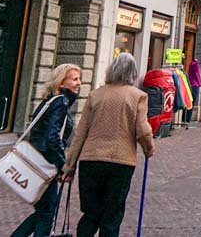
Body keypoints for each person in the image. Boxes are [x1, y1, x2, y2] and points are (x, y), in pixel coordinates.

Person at [62, 53, 155, 236]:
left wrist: (69, 166)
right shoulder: (138, 97)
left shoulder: (95, 95)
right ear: (133, 73)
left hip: (91, 161)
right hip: (121, 162)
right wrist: (148, 148)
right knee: (111, 216)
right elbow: (142, 130)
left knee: (91, 213)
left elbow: (81, 133)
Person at [11, 63, 80, 237]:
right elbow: (52, 137)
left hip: (39, 160)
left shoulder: (51, 100)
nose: (79, 83)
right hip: (45, 163)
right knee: (47, 212)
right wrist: (63, 165)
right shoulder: (60, 102)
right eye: (74, 79)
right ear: (61, 83)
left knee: (44, 211)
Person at [185, 57, 201, 126]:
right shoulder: (196, 64)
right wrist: (200, 83)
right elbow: (197, 74)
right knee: (192, 101)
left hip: (189, 83)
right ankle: (188, 119)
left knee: (188, 101)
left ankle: (186, 117)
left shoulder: (190, 64)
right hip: (195, 85)